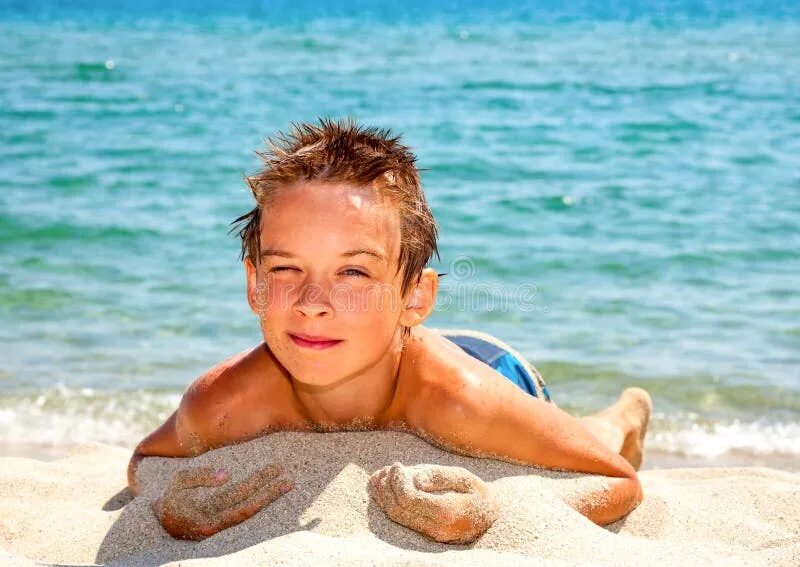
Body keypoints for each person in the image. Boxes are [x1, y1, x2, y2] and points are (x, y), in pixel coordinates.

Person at [130, 118, 652, 542]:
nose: (313, 304)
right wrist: (169, 503)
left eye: (353, 272)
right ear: (254, 286)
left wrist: (500, 508)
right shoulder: (224, 402)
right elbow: (144, 462)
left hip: (490, 366)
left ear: (415, 296)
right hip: (389, 342)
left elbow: (614, 478)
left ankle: (627, 411)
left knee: (587, 438)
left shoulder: (460, 402)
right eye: (285, 269)